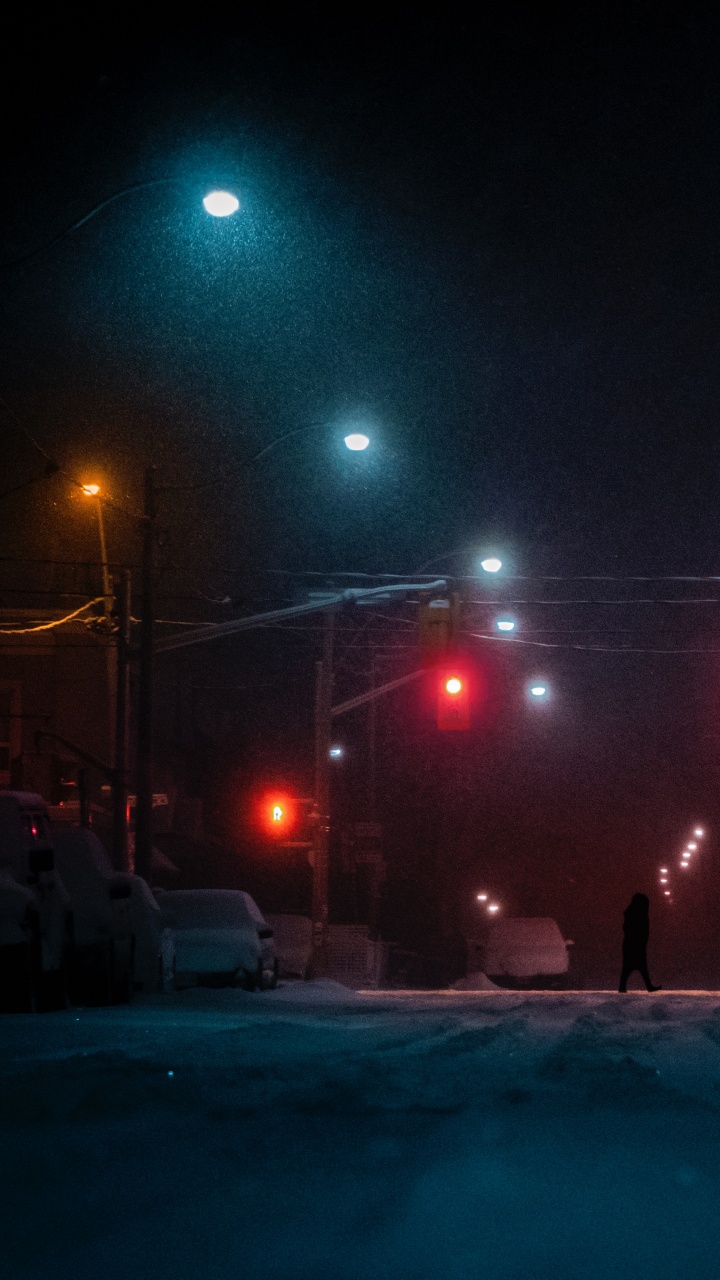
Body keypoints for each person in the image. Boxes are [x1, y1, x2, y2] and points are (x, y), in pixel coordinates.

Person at [618, 893, 661, 993]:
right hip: (636, 943)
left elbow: (626, 928)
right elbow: (633, 929)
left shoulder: (631, 914)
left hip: (631, 943)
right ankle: (647, 986)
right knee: (639, 965)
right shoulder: (637, 915)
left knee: (629, 966)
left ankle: (623, 986)